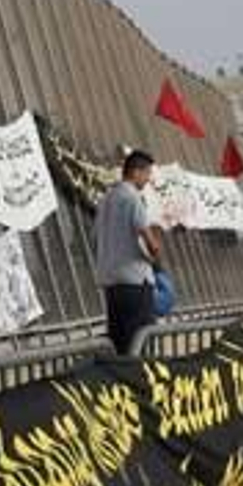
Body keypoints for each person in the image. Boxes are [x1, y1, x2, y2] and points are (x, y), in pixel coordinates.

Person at [95, 150, 162, 355]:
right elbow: (150, 241)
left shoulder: (106, 199)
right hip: (135, 284)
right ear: (136, 171)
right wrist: (157, 255)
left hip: (111, 284)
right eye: (147, 173)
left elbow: (95, 238)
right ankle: (140, 384)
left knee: (120, 344)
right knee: (141, 344)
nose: (148, 179)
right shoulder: (133, 198)